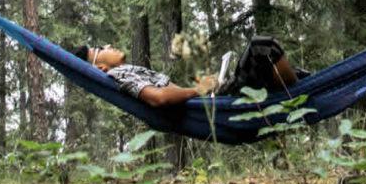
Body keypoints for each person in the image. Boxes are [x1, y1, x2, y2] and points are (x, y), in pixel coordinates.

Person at [69, 36, 301, 107]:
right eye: (100, 48)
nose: (109, 46)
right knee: (263, 49)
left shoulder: (125, 71)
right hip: (214, 105)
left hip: (213, 99)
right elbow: (158, 98)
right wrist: (197, 90)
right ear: (100, 66)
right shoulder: (117, 74)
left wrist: (205, 85)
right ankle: (299, 96)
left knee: (273, 66)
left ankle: (304, 88)